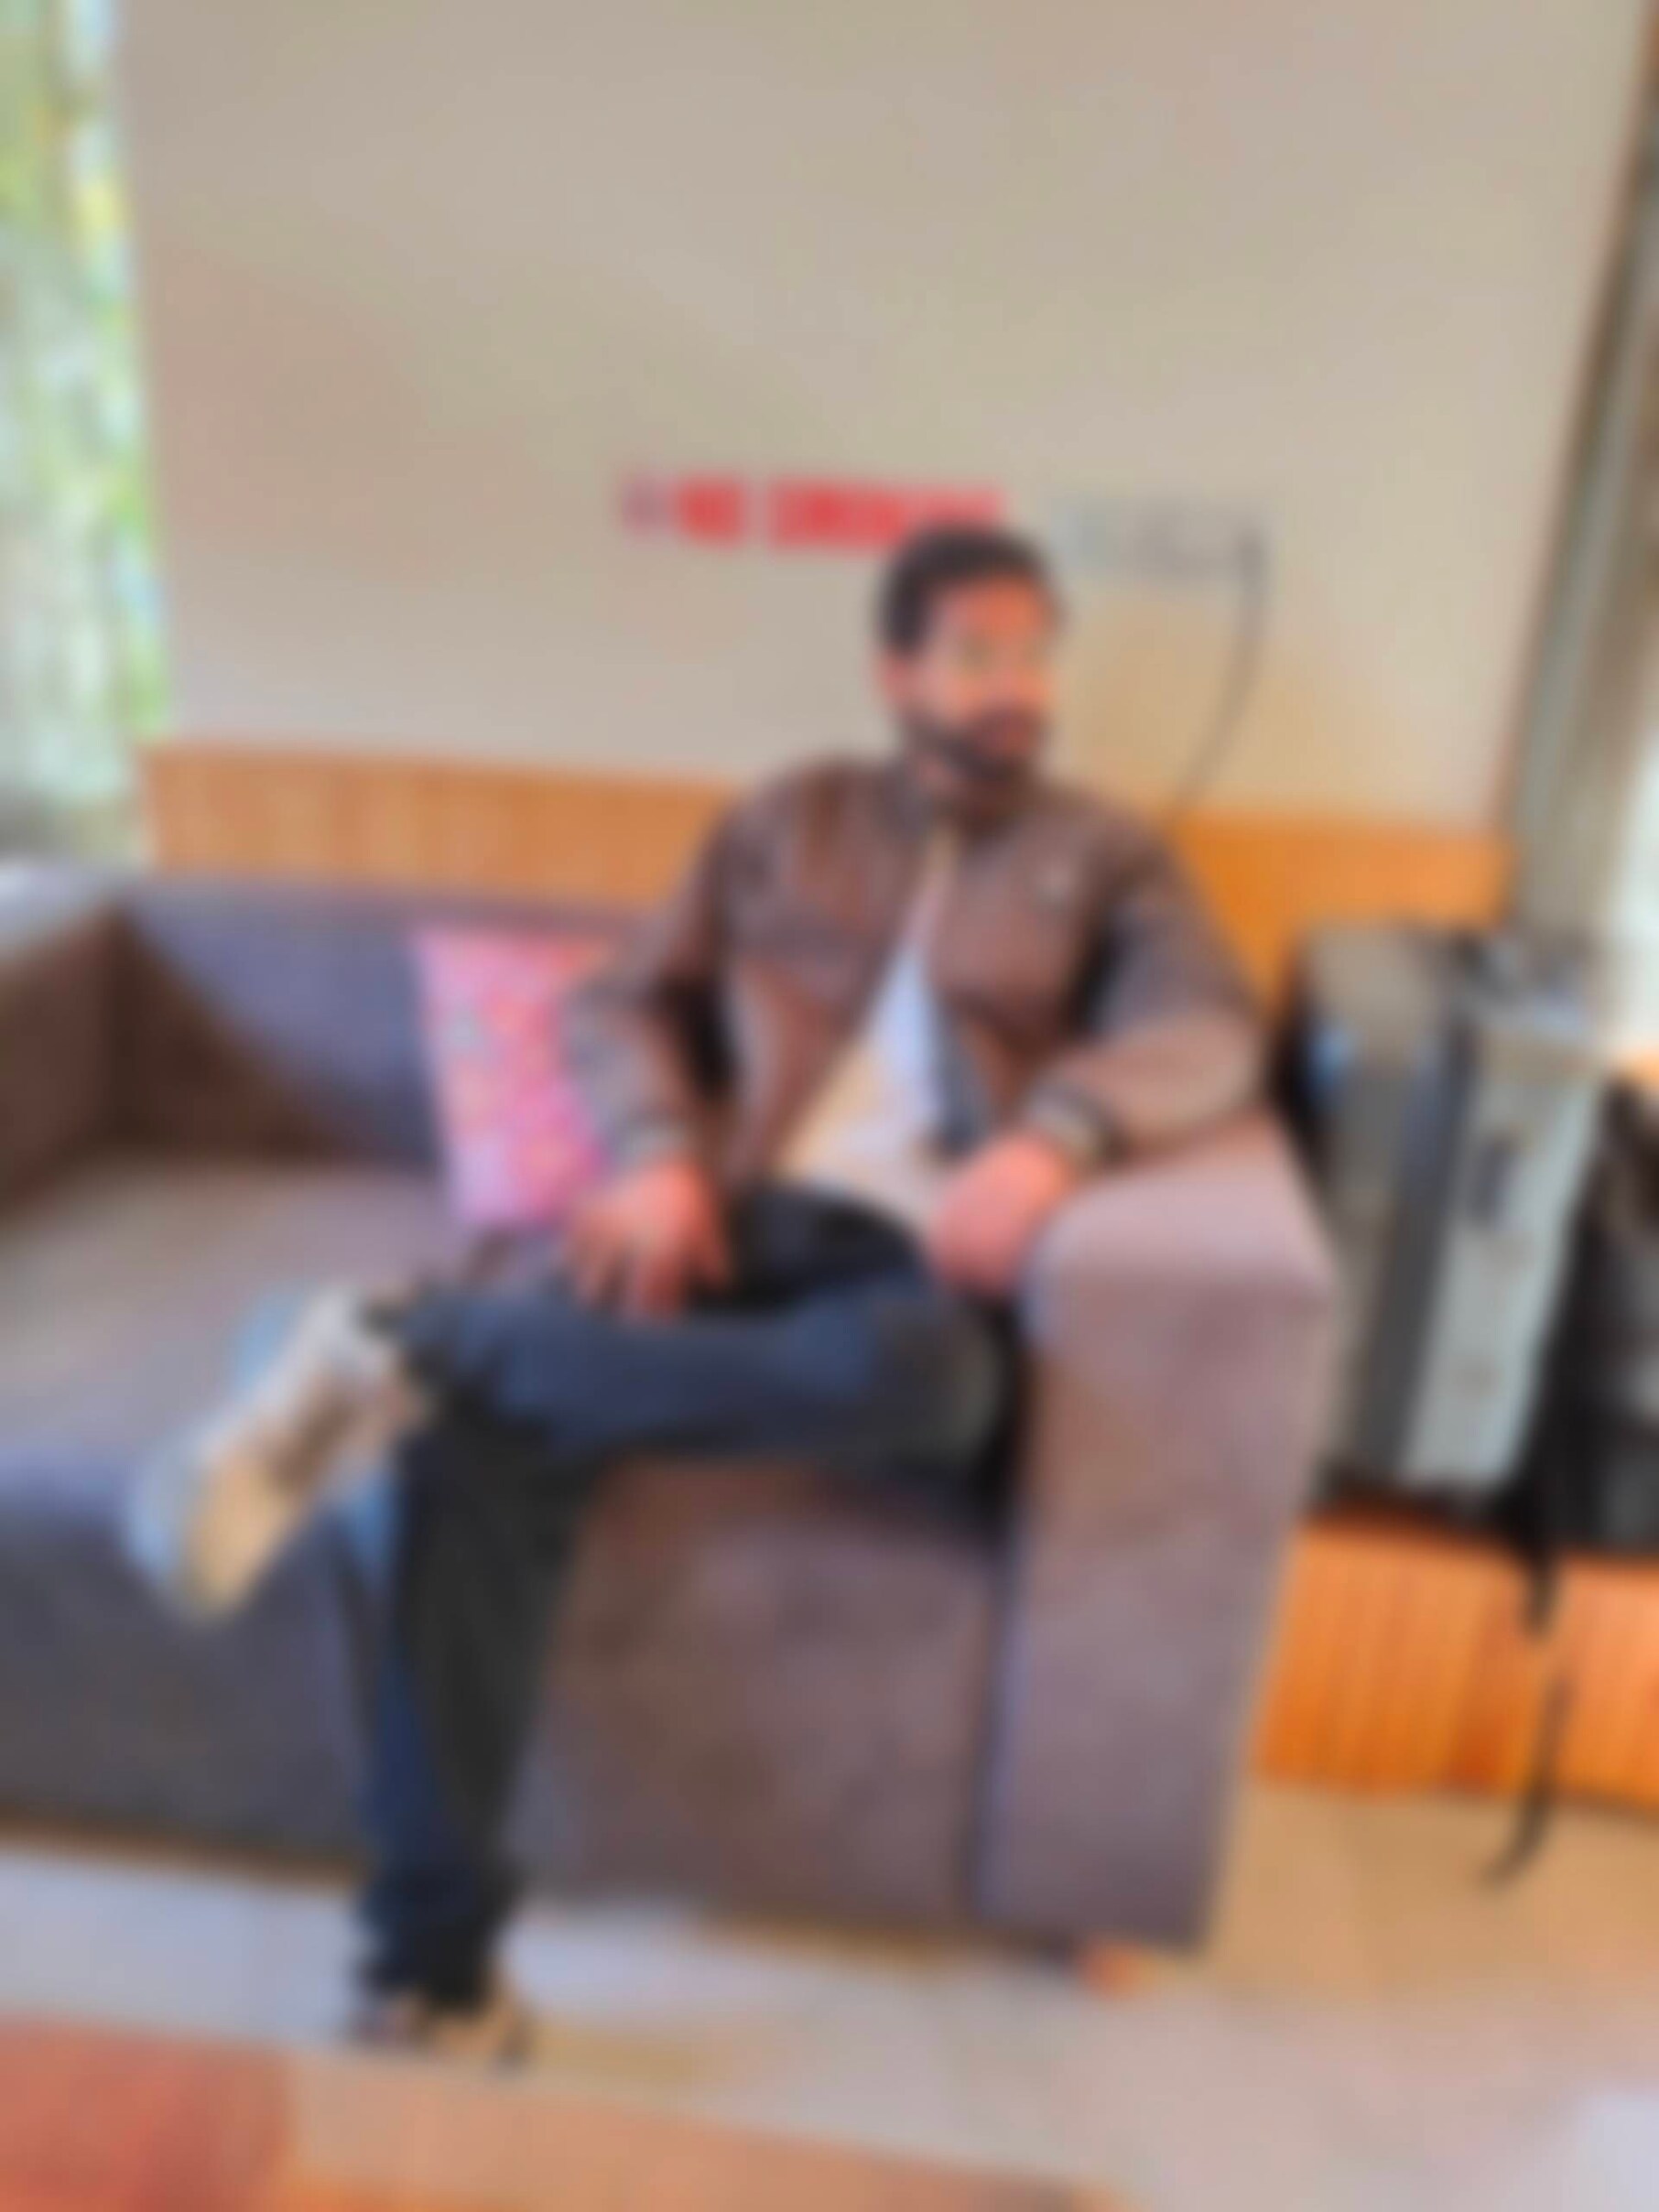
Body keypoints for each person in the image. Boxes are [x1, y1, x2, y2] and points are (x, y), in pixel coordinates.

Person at [127, 524, 1263, 2061]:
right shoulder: (789, 818)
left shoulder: (1107, 855)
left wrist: (1058, 1136)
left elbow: (1209, 1023)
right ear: (898, 671)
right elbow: (629, 997)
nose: (1018, 688)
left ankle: (398, 1339)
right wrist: (660, 1151)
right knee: (478, 1458)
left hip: (897, 1262)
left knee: (940, 1387)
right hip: (718, 1224)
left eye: (1035, 655)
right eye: (977, 654)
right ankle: (431, 1977)